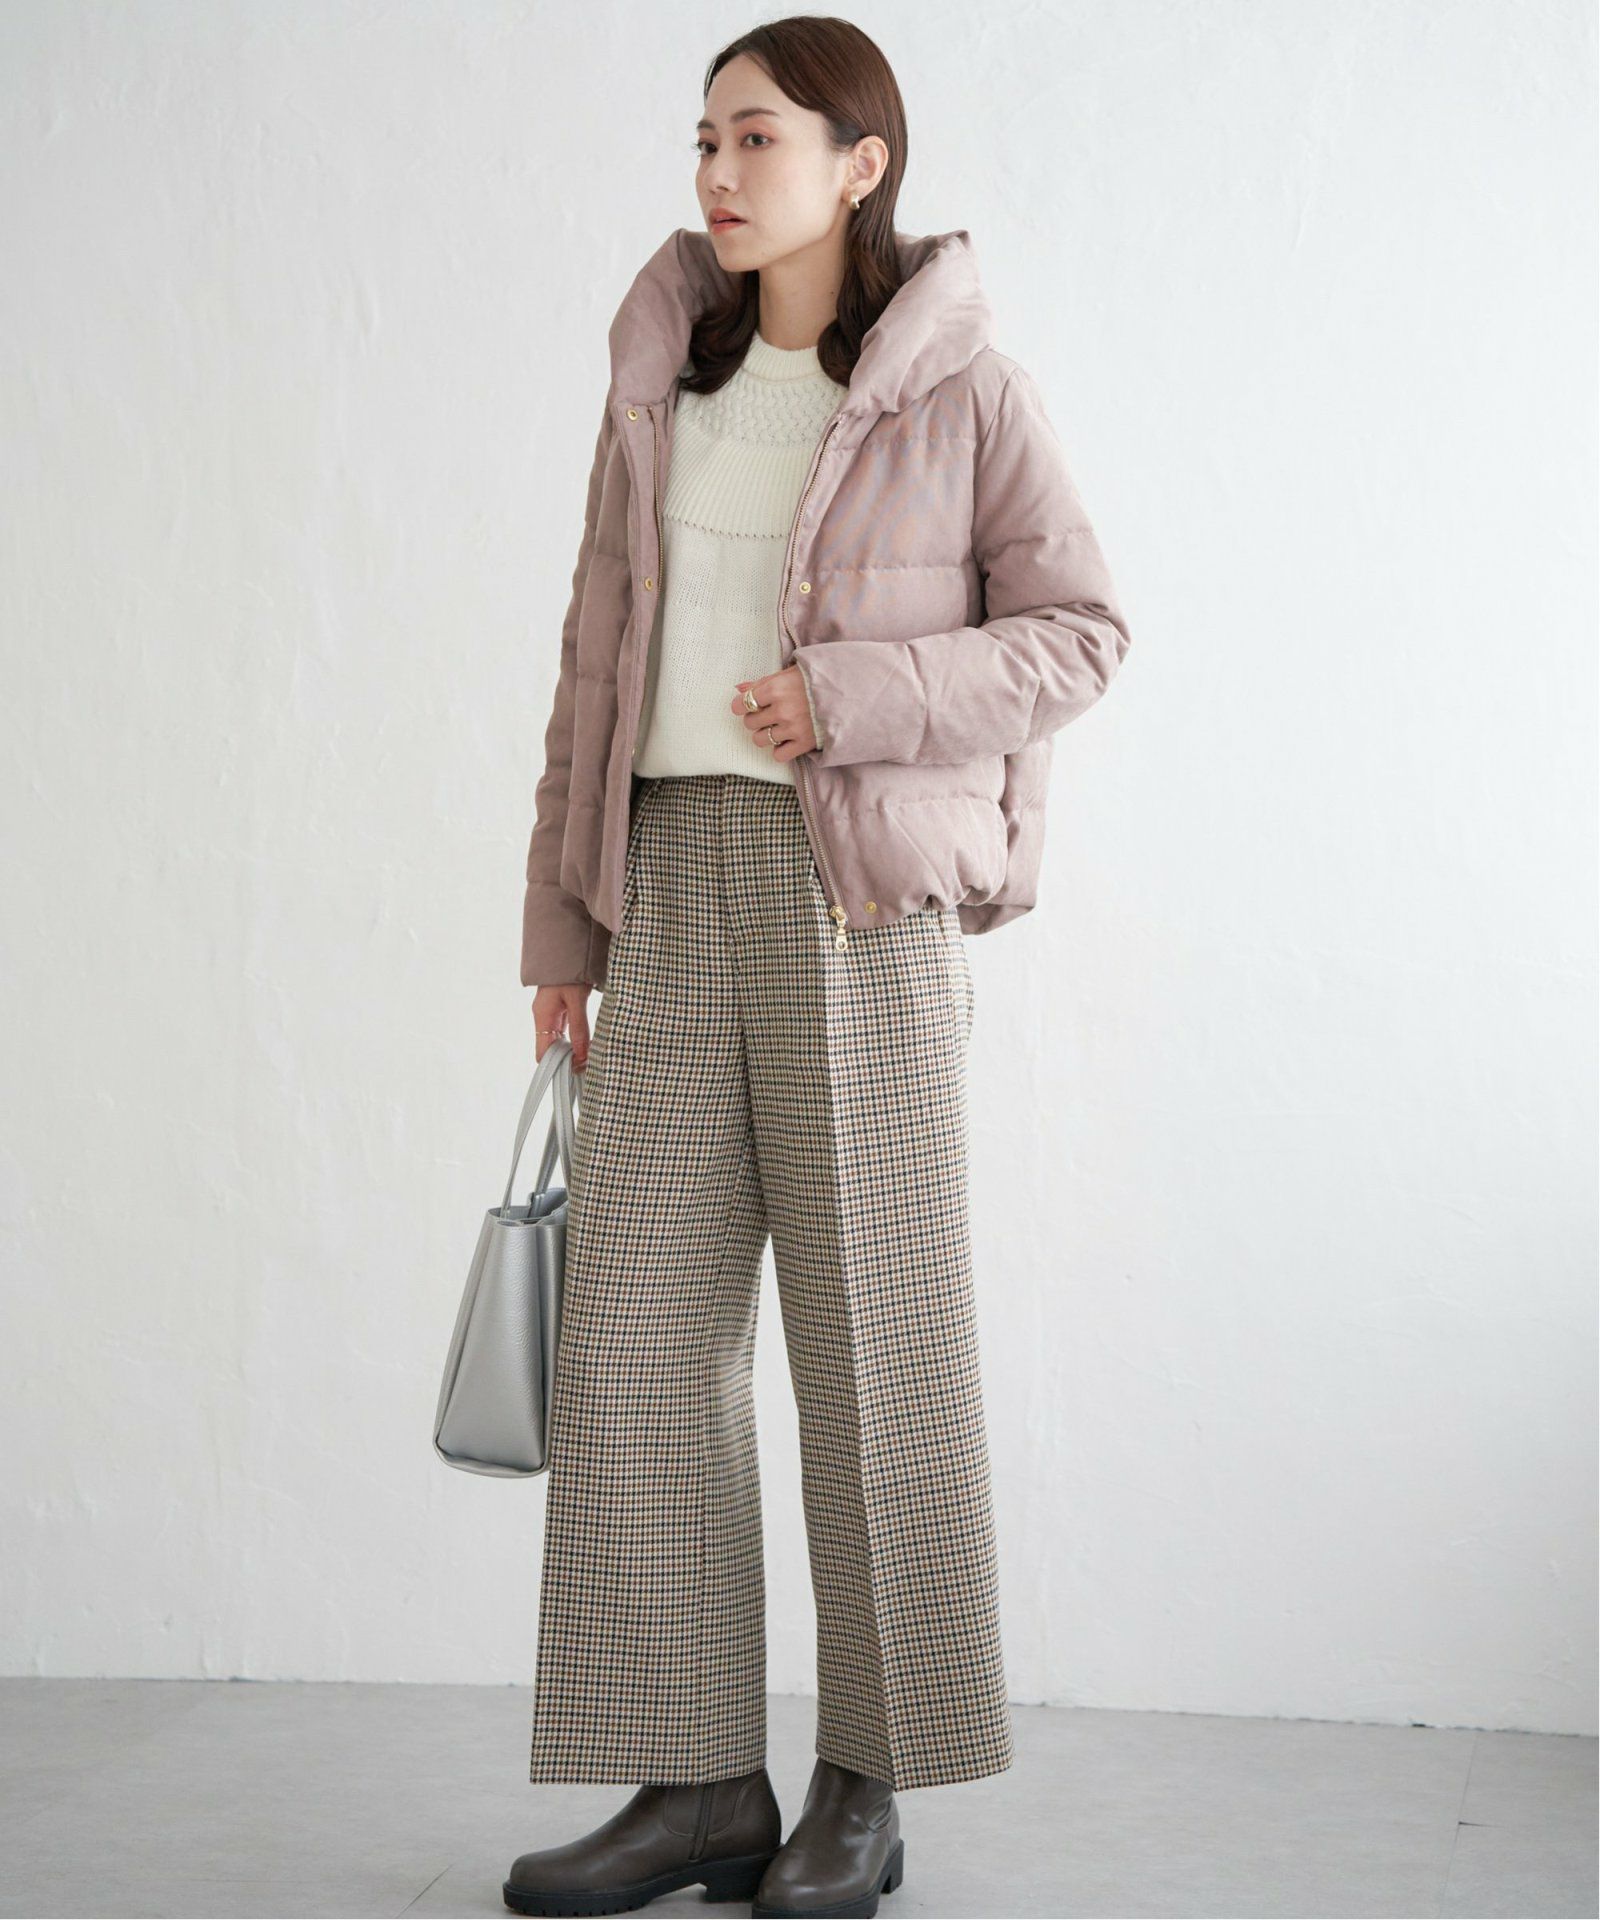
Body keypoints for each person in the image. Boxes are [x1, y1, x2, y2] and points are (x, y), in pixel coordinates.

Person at [504, 17, 1131, 1918]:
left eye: (757, 137)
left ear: (862, 164)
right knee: (636, 1347)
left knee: (877, 1343)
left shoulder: (962, 389)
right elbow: (594, 666)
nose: (718, 171)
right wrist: (560, 929)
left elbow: (1083, 632)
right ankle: (698, 1781)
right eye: (704, 138)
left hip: (854, 902)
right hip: (666, 882)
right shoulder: (661, 381)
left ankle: (868, 1780)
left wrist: (852, 697)